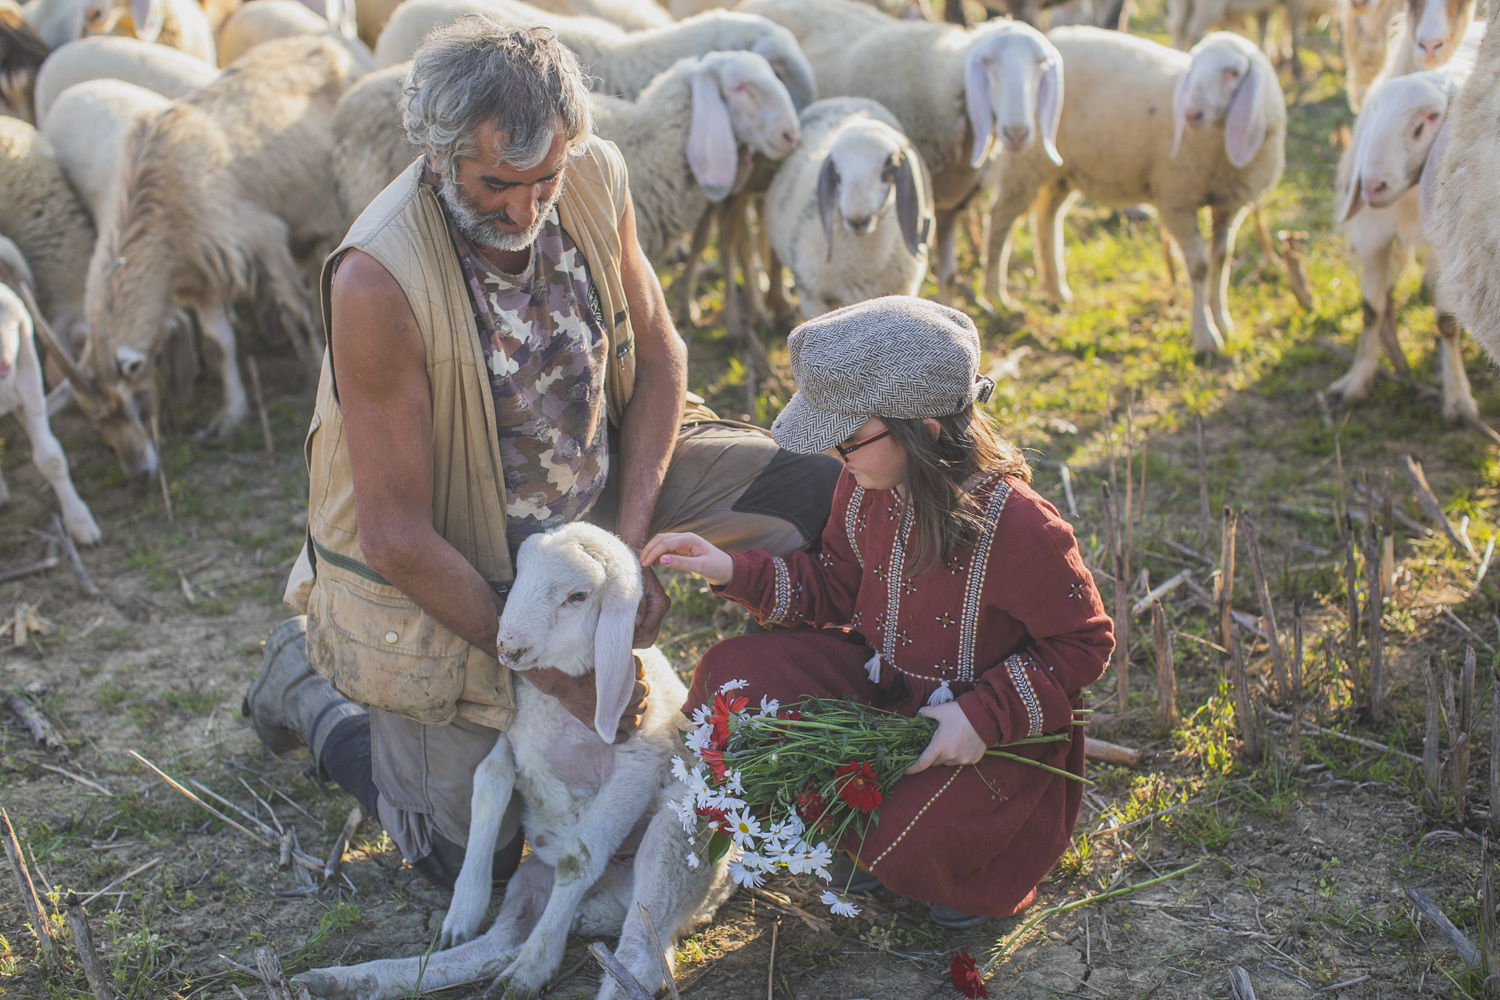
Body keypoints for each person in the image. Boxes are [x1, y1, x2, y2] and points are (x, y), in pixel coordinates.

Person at [242, 18, 840, 890]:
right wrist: (559, 673)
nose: (524, 210)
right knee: (463, 851)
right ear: (439, 154)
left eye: (544, 180)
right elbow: (399, 537)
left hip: (605, 476)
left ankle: (858, 732)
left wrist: (625, 564)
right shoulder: (377, 280)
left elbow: (663, 353)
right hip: (464, 546)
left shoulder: (596, 177)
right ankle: (308, 682)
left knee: (820, 502)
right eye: (496, 184)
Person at [639, 296, 1114, 929]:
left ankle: (961, 864)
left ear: (926, 429)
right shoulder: (862, 489)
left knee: (908, 834)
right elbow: (835, 584)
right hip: (885, 691)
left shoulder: (1022, 529)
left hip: (983, 738)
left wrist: (977, 716)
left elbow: (1083, 644)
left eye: (848, 438)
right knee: (732, 677)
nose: (836, 455)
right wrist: (729, 568)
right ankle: (865, 835)